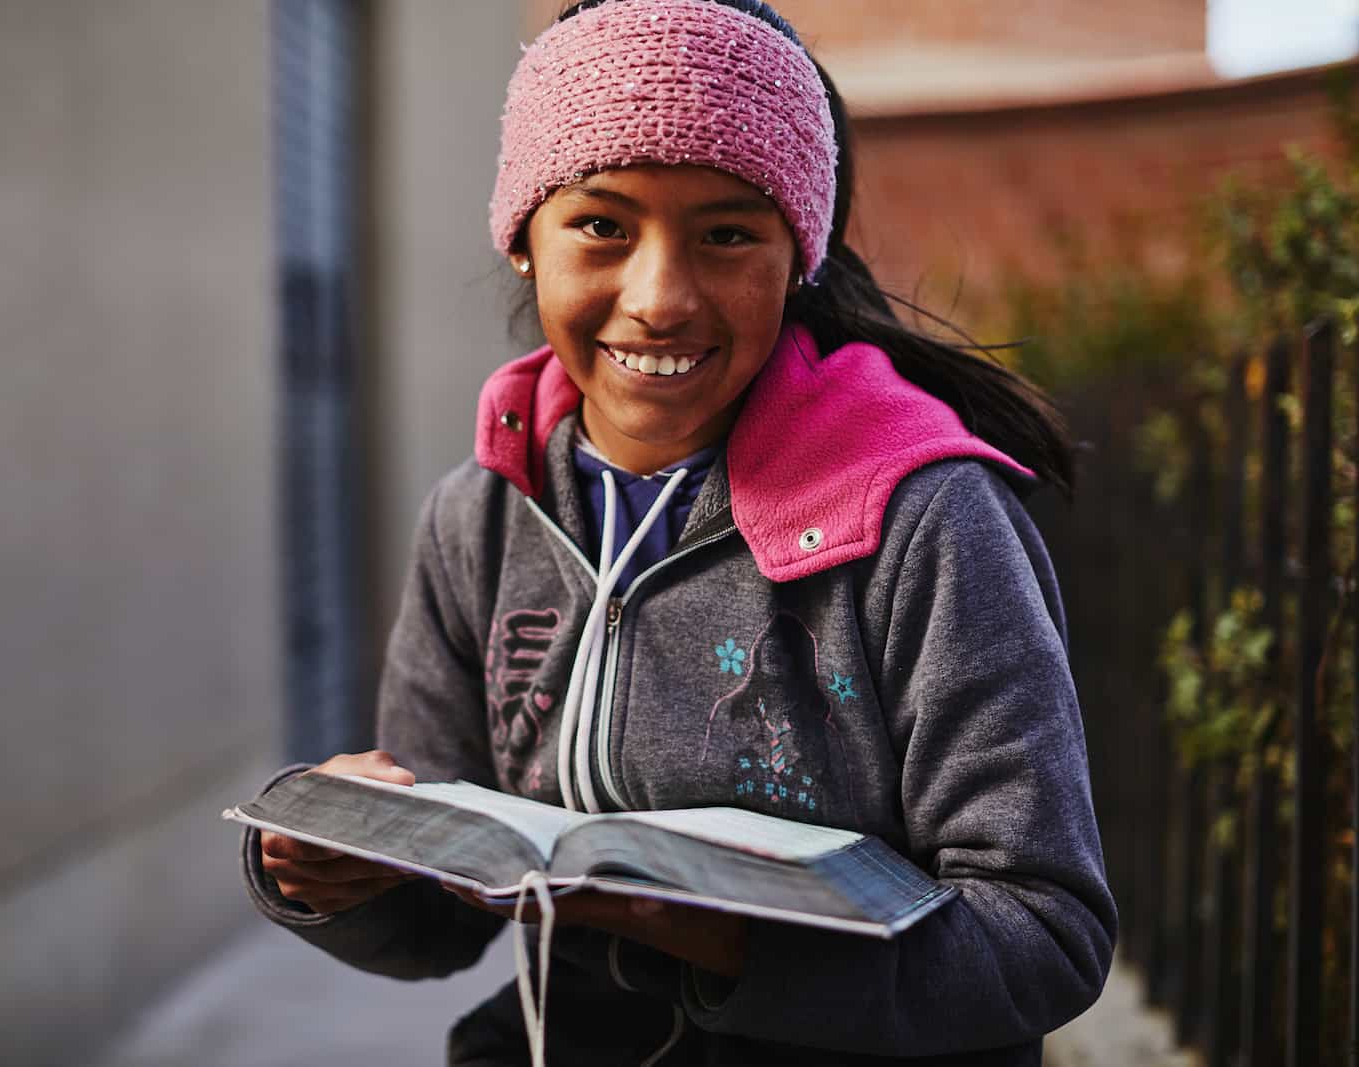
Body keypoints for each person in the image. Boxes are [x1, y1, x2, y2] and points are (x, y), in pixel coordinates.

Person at [241, 1, 1117, 1063]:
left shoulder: (922, 518)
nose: (659, 298)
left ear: (798, 256)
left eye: (726, 233)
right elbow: (439, 920)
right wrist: (333, 873)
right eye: (602, 224)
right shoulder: (480, 518)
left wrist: (726, 950)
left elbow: (1045, 935)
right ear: (524, 238)